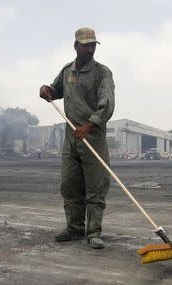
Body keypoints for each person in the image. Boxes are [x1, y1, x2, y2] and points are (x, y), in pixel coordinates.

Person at [39, 27, 115, 249]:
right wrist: (47, 90)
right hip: (71, 139)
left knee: (95, 186)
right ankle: (74, 228)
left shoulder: (103, 73)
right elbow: (55, 90)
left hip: (92, 137)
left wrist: (89, 125)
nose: (90, 49)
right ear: (76, 46)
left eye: (93, 45)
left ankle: (93, 232)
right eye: (86, 45)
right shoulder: (67, 71)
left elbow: (107, 103)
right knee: (70, 184)